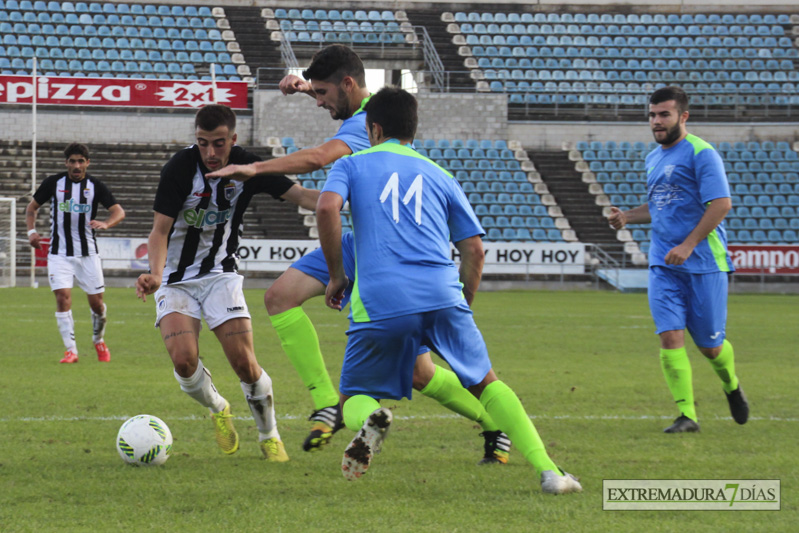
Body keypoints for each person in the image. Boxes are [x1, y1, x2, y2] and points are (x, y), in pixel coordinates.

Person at [209, 45, 511, 464]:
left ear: (348, 85)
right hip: (360, 240)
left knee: (419, 373)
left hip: (387, 252)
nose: (319, 102)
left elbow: (318, 158)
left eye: (322, 94)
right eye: (313, 94)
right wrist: (302, 87)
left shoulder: (364, 126)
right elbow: (338, 98)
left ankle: (495, 426)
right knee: (279, 297)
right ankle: (327, 403)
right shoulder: (366, 108)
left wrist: (255, 168)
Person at [317, 87, 581, 494]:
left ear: (374, 128)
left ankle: (371, 420)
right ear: (412, 129)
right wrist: (463, 301)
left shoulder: (352, 165)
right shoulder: (441, 174)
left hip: (381, 299)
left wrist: (336, 275)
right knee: (487, 383)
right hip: (442, 292)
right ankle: (549, 471)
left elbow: (325, 208)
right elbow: (474, 249)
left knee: (354, 394)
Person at [135, 104, 319, 461]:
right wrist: (155, 274)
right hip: (175, 279)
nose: (210, 153)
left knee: (245, 364)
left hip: (221, 275)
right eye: (202, 143)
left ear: (233, 139)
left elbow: (301, 196)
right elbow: (159, 231)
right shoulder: (178, 169)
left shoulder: (249, 166)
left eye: (219, 144)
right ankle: (219, 407)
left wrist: (350, 203)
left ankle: (269, 435)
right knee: (184, 361)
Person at [607, 86, 749, 433]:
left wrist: (688, 245)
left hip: (703, 263)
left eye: (664, 114)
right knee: (670, 336)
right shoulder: (653, 158)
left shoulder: (702, 153)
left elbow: (721, 204)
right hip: (663, 264)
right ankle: (688, 416)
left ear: (683, 116)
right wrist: (627, 216)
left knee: (710, 347)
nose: (656, 121)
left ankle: (730, 383)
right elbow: (658, 208)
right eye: (652, 115)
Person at [26, 143, 125, 364]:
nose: (77, 165)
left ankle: (98, 340)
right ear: (66, 163)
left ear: (87, 163)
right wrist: (31, 231)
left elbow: (119, 211)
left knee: (97, 304)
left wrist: (107, 224)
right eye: (72, 161)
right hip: (59, 253)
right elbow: (31, 208)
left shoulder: (95, 186)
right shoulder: (53, 183)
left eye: (81, 161)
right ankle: (71, 350)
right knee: (62, 298)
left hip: (88, 254)